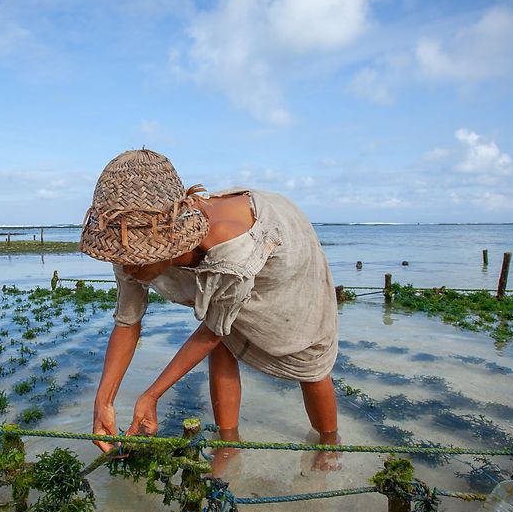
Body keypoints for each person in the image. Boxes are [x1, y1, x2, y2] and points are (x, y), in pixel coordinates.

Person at [79, 149, 340, 470]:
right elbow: (127, 322)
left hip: (281, 242)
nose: (126, 268)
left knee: (309, 358)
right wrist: (103, 402)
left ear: (171, 239)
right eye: (122, 257)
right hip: (225, 256)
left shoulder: (231, 251)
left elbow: (213, 330)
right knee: (225, 345)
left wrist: (151, 396)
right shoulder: (126, 240)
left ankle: (330, 442)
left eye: (138, 259)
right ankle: (228, 442)